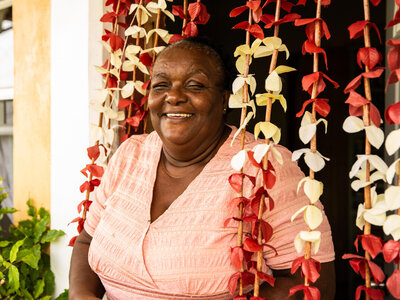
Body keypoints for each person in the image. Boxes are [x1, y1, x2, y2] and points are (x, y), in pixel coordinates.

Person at [69, 37, 335, 300]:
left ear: (223, 101)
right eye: (161, 85)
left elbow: (314, 282)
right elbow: (86, 241)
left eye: (195, 85)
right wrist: (81, 295)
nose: (173, 96)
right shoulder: (130, 155)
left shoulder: (261, 167)